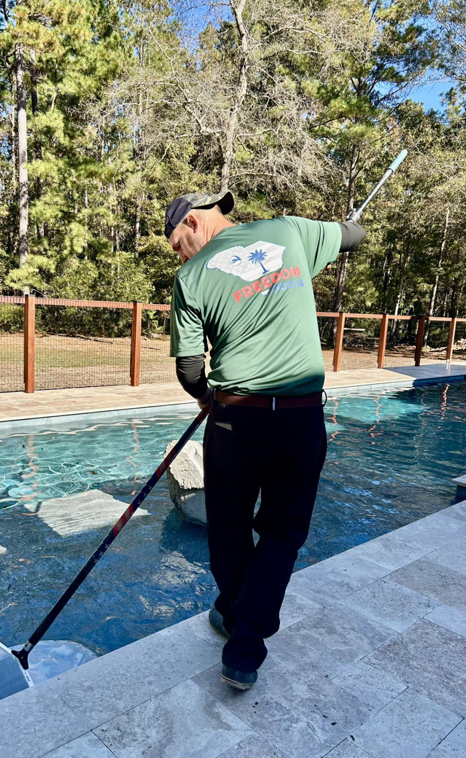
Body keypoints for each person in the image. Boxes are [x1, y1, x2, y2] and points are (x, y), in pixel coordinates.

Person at [166, 191, 366, 690]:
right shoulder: (289, 231)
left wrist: (204, 396)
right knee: (282, 533)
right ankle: (244, 645)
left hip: (235, 420)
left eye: (177, 244)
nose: (181, 255)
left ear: (192, 220)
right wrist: (349, 222)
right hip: (300, 419)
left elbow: (190, 368)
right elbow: (354, 237)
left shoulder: (190, 278)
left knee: (227, 529)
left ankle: (237, 620)